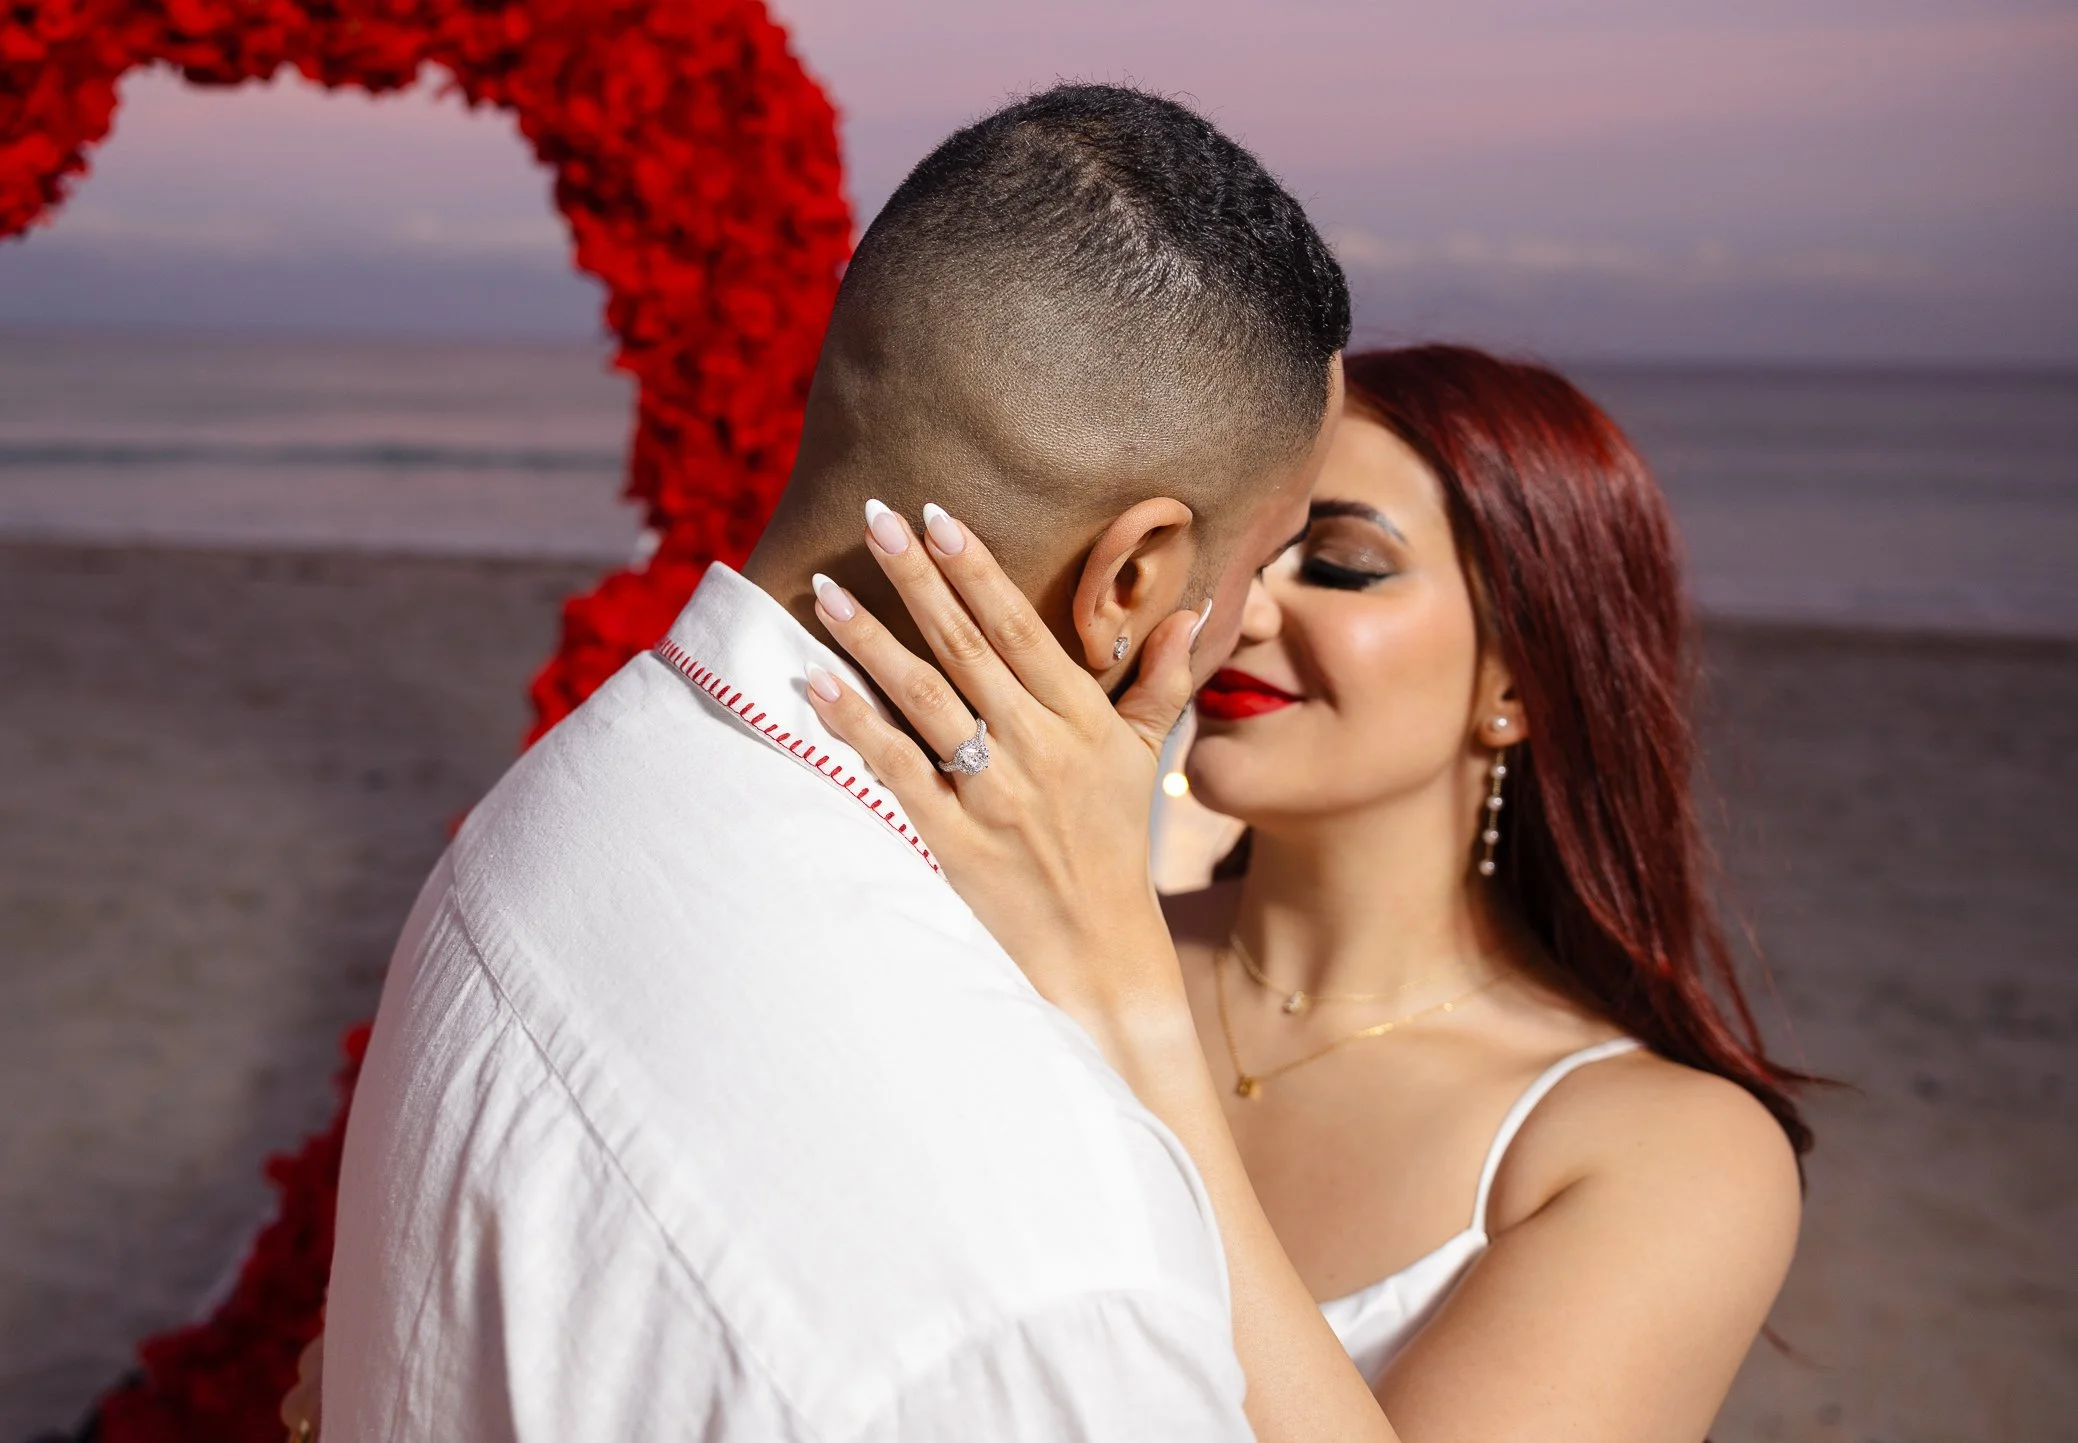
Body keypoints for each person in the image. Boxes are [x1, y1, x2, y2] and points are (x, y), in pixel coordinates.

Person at [317, 84, 1349, 1442]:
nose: (1250, 620)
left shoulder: (578, 797)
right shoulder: (1046, 1279)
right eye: (1256, 559)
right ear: (1134, 576)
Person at [803, 344, 1811, 1441]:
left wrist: (1131, 1013)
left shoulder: (1662, 1151)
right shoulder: (1022, 943)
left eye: (1337, 562)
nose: (1245, 607)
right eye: (1249, 551)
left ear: (1519, 680)